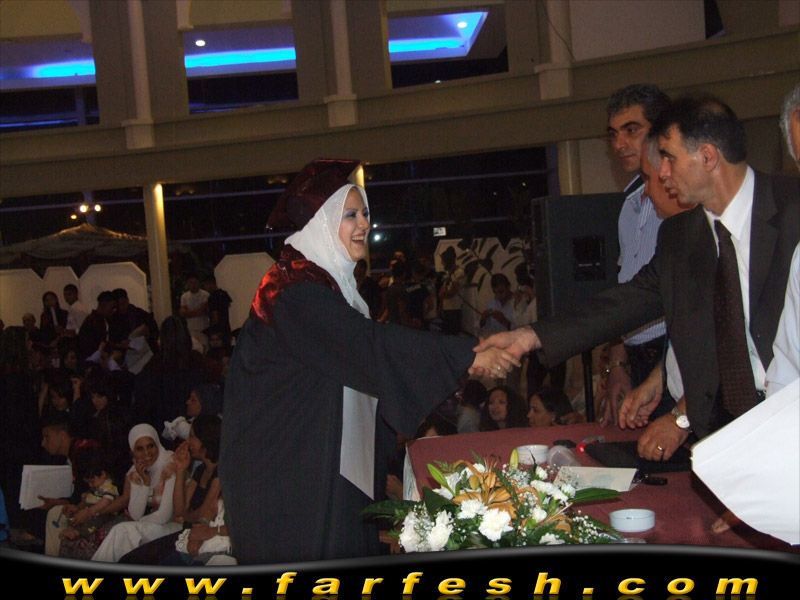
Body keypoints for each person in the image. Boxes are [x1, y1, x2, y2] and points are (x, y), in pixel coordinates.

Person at [220, 159, 517, 564]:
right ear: (321, 223)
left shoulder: (328, 285)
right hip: (289, 471)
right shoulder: (291, 290)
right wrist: (466, 355)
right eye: (350, 215)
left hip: (323, 459)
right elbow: (368, 345)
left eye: (365, 213)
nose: (363, 224)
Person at [475, 95, 799, 459]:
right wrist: (529, 336)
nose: (662, 173)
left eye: (669, 158)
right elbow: (627, 302)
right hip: (721, 433)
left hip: (789, 420)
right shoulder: (681, 235)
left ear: (708, 157)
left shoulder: (793, 210)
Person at [602, 84, 672, 427]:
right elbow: (626, 291)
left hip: (677, 353)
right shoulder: (628, 208)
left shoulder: (682, 203)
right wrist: (618, 363)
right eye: (614, 134)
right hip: (637, 356)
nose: (619, 144)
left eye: (631, 130)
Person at [91, 424, 180, 562]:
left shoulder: (171, 464)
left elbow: (164, 515)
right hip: (150, 526)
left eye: (151, 446)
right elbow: (135, 514)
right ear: (133, 452)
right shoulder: (136, 471)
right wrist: (145, 482)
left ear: (157, 444)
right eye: (140, 449)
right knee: (123, 534)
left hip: (172, 527)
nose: (147, 453)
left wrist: (138, 523)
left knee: (123, 531)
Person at [180, 274, 210, 351]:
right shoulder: (184, 296)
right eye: (191, 283)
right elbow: (183, 313)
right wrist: (199, 310)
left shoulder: (206, 295)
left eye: (195, 282)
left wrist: (189, 312)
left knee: (205, 348)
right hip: (191, 329)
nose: (193, 285)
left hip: (203, 328)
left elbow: (204, 310)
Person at [202, 276, 233, 344]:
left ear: (210, 284)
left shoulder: (212, 297)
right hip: (226, 328)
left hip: (217, 331)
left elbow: (215, 316)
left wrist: (212, 328)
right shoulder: (223, 294)